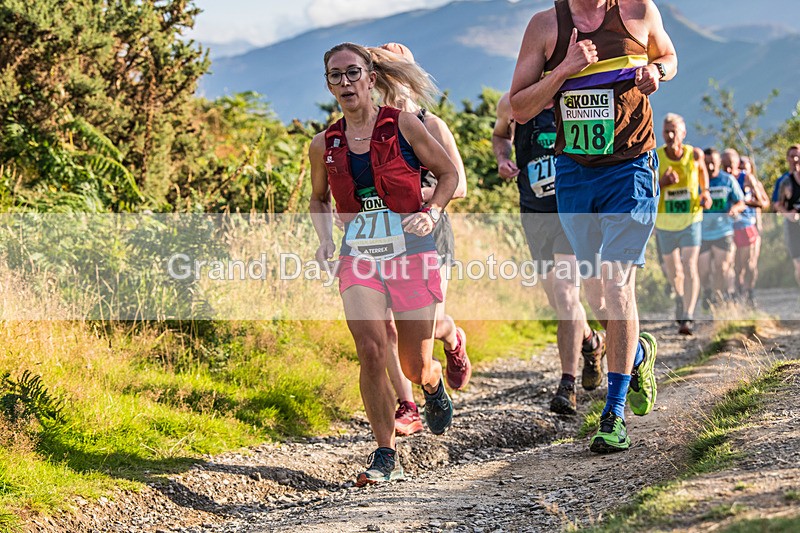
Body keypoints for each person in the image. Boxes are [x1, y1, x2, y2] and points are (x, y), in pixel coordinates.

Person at [509, 0, 677, 453]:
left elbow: (668, 55)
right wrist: (564, 68)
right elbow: (519, 108)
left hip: (632, 167)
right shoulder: (546, 26)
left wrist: (657, 73)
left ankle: (614, 412)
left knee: (618, 284)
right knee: (598, 291)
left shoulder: (639, 10)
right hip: (575, 172)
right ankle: (637, 353)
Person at [309, 42, 458, 486]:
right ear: (329, 84)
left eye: (353, 73)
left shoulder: (405, 125)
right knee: (372, 348)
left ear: (371, 79)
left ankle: (431, 384)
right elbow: (318, 199)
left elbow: (449, 174)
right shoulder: (324, 144)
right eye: (336, 76)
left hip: (412, 253)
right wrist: (323, 241)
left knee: (413, 365)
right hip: (359, 255)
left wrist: (430, 213)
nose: (345, 83)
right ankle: (383, 453)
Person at [372, 43, 471, 437]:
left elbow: (459, 184)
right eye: (383, 73)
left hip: (430, 234)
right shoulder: (369, 125)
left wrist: (419, 198)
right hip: (382, 236)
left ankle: (452, 336)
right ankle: (409, 404)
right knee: (387, 326)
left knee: (424, 330)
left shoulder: (431, 124)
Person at [493, 91, 606, 415]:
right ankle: (591, 342)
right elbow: (500, 134)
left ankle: (566, 385)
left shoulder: (574, 98)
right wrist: (503, 158)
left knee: (565, 293)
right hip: (534, 212)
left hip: (571, 212)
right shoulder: (512, 103)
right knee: (558, 301)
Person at [654, 113, 710, 335]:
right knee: (673, 270)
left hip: (691, 219)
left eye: (673, 131)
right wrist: (663, 182)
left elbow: (704, 178)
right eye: (666, 131)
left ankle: (687, 315)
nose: (669, 135)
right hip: (665, 222)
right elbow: (648, 189)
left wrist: (705, 194)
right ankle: (679, 296)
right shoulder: (656, 157)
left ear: (683, 133)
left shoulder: (694, 155)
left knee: (688, 265)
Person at [698, 148, 746, 307]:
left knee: (722, 267)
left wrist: (734, 209)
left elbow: (741, 202)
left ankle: (717, 298)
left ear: (719, 163)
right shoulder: (697, 180)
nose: (710, 167)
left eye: (713, 163)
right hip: (701, 232)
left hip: (723, 231)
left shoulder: (727, 180)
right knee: (703, 271)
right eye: (707, 163)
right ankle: (706, 290)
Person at [731, 153, 769, 306]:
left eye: (745, 169)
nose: (743, 172)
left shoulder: (755, 184)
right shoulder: (732, 182)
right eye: (740, 168)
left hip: (752, 226)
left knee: (751, 264)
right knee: (737, 264)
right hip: (734, 227)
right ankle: (739, 291)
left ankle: (750, 291)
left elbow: (764, 203)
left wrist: (749, 201)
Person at [772, 144, 800, 291]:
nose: (795, 159)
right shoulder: (785, 181)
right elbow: (776, 204)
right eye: (792, 156)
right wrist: (789, 214)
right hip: (793, 227)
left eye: (798, 156)